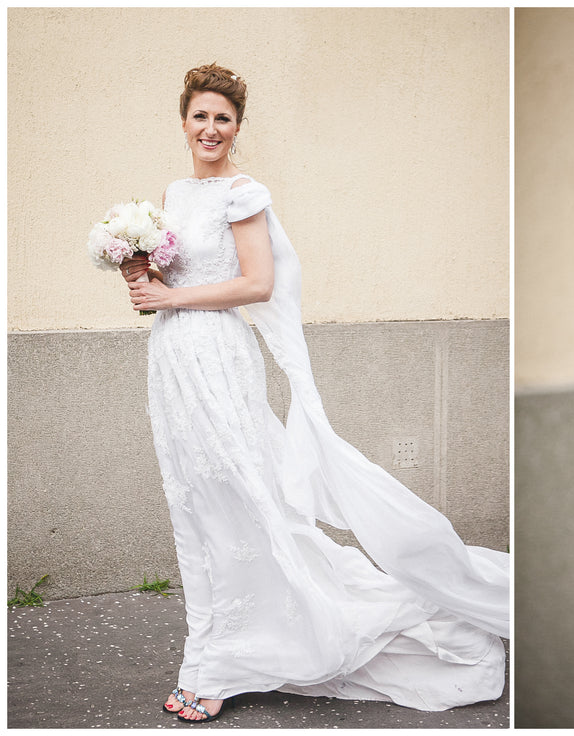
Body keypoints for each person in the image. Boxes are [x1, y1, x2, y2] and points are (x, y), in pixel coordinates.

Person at [121, 64, 508, 723]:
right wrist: (138, 268)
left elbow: (257, 283)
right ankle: (219, 650)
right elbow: (168, 276)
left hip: (218, 354)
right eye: (200, 116)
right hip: (172, 361)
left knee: (243, 502)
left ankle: (220, 666)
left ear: (238, 128)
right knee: (198, 507)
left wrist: (171, 295)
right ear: (182, 120)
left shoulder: (244, 194)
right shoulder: (174, 193)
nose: (210, 128)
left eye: (223, 118)